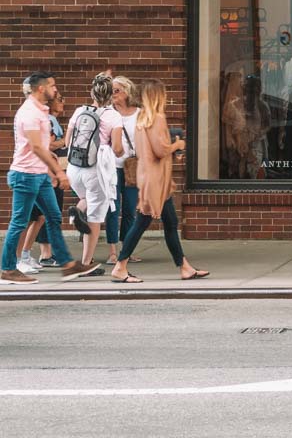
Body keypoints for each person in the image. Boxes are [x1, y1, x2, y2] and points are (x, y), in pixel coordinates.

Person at [112, 79, 209, 284]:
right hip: (156, 181)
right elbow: (161, 149)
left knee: (170, 222)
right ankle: (120, 266)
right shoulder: (157, 118)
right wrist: (178, 145)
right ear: (158, 96)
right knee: (142, 222)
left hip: (149, 178)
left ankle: (184, 267)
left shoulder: (142, 119)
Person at [3, 72, 93, 284]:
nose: (56, 90)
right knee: (19, 222)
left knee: (52, 216)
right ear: (41, 88)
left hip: (39, 174)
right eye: (52, 86)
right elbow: (35, 147)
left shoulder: (41, 111)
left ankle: (67, 265)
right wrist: (59, 171)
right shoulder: (30, 113)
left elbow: (40, 146)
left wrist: (50, 167)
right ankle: (7, 269)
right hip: (25, 174)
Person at [62, 74, 116, 275]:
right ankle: (85, 263)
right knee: (95, 215)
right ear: (110, 95)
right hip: (96, 170)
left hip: (74, 168)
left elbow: (68, 142)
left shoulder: (79, 111)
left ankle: (76, 211)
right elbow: (118, 148)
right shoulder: (113, 116)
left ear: (92, 92)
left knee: (86, 199)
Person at [102, 75, 141, 262]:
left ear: (127, 92)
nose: (113, 94)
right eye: (111, 91)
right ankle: (112, 251)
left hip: (132, 167)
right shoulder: (107, 112)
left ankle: (126, 250)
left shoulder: (139, 113)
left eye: (116, 90)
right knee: (112, 208)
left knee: (130, 209)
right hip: (111, 166)